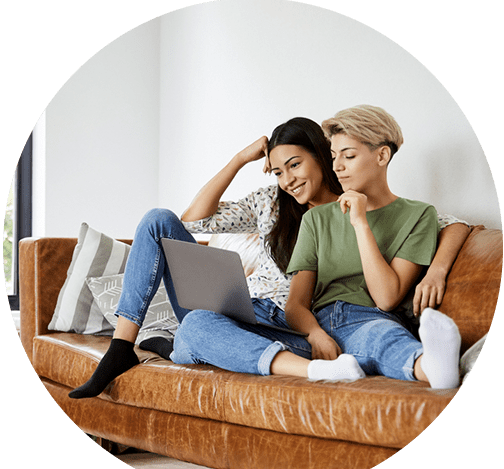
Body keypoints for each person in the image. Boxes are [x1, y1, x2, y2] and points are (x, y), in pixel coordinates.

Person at [69, 115, 468, 398]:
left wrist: (437, 270)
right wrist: (240, 159)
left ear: (321, 156)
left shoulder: (371, 209)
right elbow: (194, 220)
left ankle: (176, 348)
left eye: (295, 165)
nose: (287, 179)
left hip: (299, 322)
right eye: (277, 171)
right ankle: (124, 347)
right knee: (159, 223)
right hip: (250, 309)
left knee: (194, 335)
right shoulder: (271, 205)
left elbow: (452, 223)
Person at [281, 105, 462, 388]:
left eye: (349, 156)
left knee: (382, 336)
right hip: (315, 330)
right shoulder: (316, 218)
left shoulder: (418, 215)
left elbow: (386, 298)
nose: (337, 166)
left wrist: (361, 224)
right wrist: (316, 334)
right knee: (203, 325)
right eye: (333, 157)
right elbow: (295, 305)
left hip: (370, 319)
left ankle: (430, 367)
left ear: (382, 155)